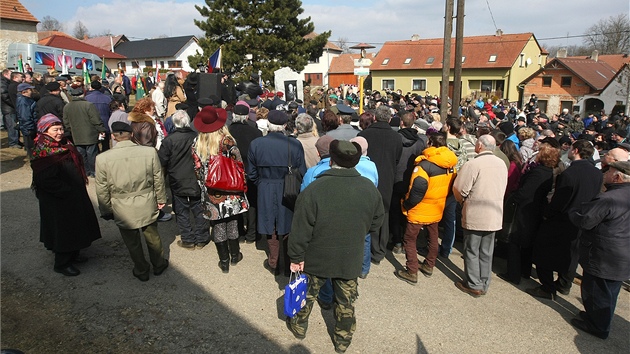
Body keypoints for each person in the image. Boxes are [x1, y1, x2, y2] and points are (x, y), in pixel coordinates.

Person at [286, 140, 384, 353]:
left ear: (331, 160)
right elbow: (376, 222)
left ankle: (299, 326)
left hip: (315, 256)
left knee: (306, 295)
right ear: (356, 162)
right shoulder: (369, 188)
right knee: (346, 302)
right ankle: (342, 340)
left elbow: (300, 229)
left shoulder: (314, 189)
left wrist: (295, 257)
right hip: (349, 256)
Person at [527, 140, 603, 299]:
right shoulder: (596, 174)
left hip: (562, 219)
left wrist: (547, 213)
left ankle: (547, 288)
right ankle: (564, 284)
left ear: (575, 151)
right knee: (571, 254)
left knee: (544, 252)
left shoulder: (569, 174)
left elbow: (559, 201)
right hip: (581, 220)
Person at [95, 121, 169, 281]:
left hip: (121, 205)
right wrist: (161, 198)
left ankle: (141, 269)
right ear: (132, 135)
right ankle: (158, 264)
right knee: (152, 236)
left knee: (132, 241)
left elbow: (101, 188)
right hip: (146, 200)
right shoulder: (149, 153)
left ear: (114, 136)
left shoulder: (102, 159)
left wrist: (106, 209)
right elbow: (158, 177)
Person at [31, 114, 101, 276]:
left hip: (73, 195)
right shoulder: (44, 151)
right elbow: (45, 180)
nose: (60, 132)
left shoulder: (64, 144)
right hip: (58, 200)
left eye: (61, 128)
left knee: (75, 226)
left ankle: (74, 254)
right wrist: (67, 191)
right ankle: (62, 263)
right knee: (63, 230)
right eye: (55, 129)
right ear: (44, 131)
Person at [568, 161, 630, 339]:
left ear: (617, 176)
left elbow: (585, 220)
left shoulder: (609, 198)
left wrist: (574, 211)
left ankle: (598, 326)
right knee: (610, 291)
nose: (605, 174)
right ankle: (598, 318)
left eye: (609, 171)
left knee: (596, 289)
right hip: (622, 252)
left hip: (605, 253)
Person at [247, 110, 306, 276]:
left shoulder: (257, 144)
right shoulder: (294, 144)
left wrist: (263, 183)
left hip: (265, 186)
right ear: (285, 125)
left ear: (268, 125)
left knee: (271, 225)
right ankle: (288, 263)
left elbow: (251, 174)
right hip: (288, 186)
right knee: (288, 225)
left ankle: (274, 262)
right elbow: (302, 171)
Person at [192, 106, 249, 272]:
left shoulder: (197, 143)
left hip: (211, 190)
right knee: (232, 222)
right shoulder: (227, 141)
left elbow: (197, 168)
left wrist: (203, 185)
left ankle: (223, 261)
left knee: (217, 224)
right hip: (230, 188)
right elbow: (239, 163)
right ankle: (235, 255)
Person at [395, 133, 457, 284]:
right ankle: (429, 265)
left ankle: (411, 270)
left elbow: (417, 190)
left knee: (409, 239)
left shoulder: (424, 165)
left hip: (420, 209)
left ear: (430, 143)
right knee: (433, 237)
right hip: (437, 207)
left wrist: (406, 204)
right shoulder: (450, 165)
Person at [453, 135, 508, 297]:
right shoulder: (501, 164)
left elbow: (459, 189)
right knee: (486, 251)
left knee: (471, 250)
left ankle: (473, 283)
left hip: (476, 213)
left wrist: (462, 201)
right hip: (494, 213)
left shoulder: (473, 164)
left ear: (479, 146)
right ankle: (484, 281)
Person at [498, 143, 558, 285]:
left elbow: (526, 192)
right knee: (526, 242)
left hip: (525, 209)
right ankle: (524, 270)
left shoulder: (538, 172)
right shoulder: (548, 172)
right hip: (534, 209)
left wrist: (514, 197)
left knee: (515, 240)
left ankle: (513, 273)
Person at [357, 105, 402, 264]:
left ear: (375, 118)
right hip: (387, 178)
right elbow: (397, 160)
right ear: (389, 119)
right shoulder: (396, 137)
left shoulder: (364, 135)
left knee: (366, 213)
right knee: (384, 213)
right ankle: (379, 251)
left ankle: (365, 250)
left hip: (366, 177)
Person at [158, 110, 209, 249]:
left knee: (182, 211)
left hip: (177, 179)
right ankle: (202, 238)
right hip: (195, 178)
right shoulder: (197, 137)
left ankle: (188, 239)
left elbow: (162, 160)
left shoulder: (169, 140)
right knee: (199, 209)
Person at [227, 102, 262, 244]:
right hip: (251, 172)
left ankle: (240, 232)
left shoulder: (228, 132)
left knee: (236, 202)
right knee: (252, 202)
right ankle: (251, 234)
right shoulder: (256, 132)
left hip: (232, 174)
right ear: (247, 116)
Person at [62, 86, 106, 177]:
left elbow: (65, 121)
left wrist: (72, 129)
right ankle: (94, 171)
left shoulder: (67, 106)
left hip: (76, 134)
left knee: (81, 154)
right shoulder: (88, 105)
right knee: (92, 154)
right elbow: (95, 119)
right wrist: (101, 129)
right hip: (90, 133)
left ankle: (85, 171)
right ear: (82, 95)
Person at [85, 81, 113, 152]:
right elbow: (111, 111)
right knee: (106, 144)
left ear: (91, 87)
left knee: (93, 144)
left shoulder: (87, 98)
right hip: (105, 122)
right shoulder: (107, 98)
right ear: (100, 87)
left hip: (91, 124)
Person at [2, 70, 23, 148]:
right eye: (10, 74)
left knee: (15, 124)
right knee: (12, 125)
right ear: (5, 74)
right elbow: (4, 96)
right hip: (8, 108)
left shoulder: (7, 82)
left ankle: (16, 140)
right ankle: (13, 142)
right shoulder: (3, 83)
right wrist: (14, 104)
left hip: (11, 107)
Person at [16, 83, 38, 156]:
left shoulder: (27, 100)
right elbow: (25, 116)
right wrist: (30, 128)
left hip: (30, 126)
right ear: (24, 92)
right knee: (31, 146)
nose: (31, 91)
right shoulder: (23, 102)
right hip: (28, 128)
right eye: (30, 90)